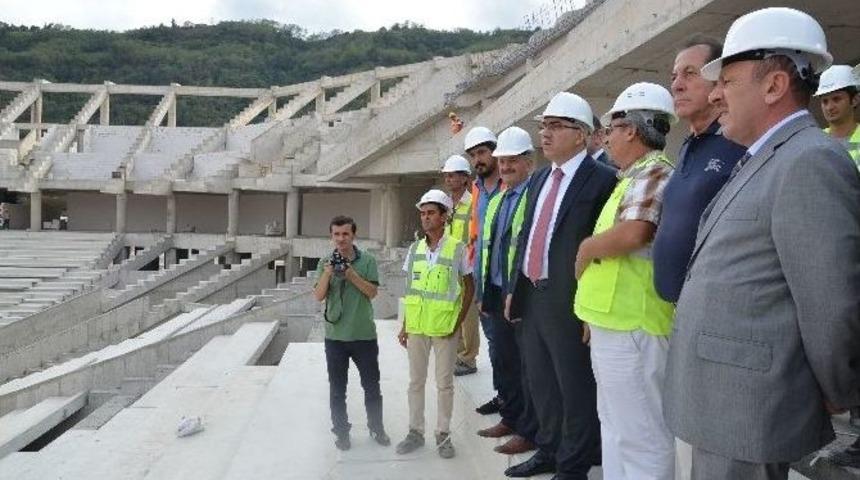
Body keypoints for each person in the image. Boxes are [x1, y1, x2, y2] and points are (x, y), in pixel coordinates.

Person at [663, 8, 860, 480]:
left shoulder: (810, 161)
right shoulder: (764, 157)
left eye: (726, 81)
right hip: (726, 399)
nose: (715, 94)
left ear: (772, 86)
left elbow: (831, 302)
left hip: (750, 406)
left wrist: (837, 389)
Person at [504, 92, 617, 480]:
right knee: (542, 382)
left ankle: (573, 466)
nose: (545, 134)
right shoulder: (539, 179)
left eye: (555, 126)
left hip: (572, 297)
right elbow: (528, 236)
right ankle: (549, 450)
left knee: (575, 386)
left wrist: (591, 309)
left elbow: (605, 247)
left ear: (582, 135)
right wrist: (513, 290)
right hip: (534, 293)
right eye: (543, 126)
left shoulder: (602, 180)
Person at [574, 82, 677, 480]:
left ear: (630, 129)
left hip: (634, 327)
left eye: (610, 130)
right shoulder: (630, 177)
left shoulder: (653, 172)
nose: (606, 139)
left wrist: (585, 248)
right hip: (615, 323)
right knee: (616, 431)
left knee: (642, 439)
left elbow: (634, 233)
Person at [652, 35, 746, 303]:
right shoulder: (686, 146)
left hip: (717, 306)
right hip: (678, 308)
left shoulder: (736, 142)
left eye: (689, 74)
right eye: (674, 77)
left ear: (719, 81)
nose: (677, 86)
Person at [395, 189, 475, 459]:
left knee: (444, 384)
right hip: (417, 327)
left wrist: (459, 322)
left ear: (443, 217)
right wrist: (405, 325)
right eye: (423, 213)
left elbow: (469, 286)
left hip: (444, 327)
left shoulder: (457, 248)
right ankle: (415, 432)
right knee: (415, 382)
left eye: (431, 213)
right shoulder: (415, 249)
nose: (425, 218)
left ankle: (443, 434)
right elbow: (411, 289)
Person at [476, 126, 537, 456]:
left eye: (513, 160)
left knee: (527, 366)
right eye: (502, 161)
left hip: (523, 296)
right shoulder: (497, 200)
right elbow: (489, 250)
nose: (506, 167)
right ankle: (511, 417)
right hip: (497, 293)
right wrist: (485, 293)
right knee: (503, 361)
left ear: (529, 161)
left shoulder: (535, 196)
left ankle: (530, 429)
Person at [313, 215, 389, 451]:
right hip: (335, 337)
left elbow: (372, 292)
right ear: (331, 236)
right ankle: (342, 433)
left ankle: (376, 428)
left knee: (372, 387)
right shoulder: (325, 261)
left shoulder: (367, 260)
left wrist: (350, 274)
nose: (341, 239)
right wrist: (328, 272)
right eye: (336, 234)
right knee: (337, 390)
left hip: (363, 335)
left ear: (353, 235)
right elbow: (319, 296)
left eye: (345, 234)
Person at [463, 126, 505, 414]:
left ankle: (518, 403)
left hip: (507, 279)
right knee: (494, 342)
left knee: (513, 345)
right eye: (473, 155)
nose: (478, 160)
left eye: (482, 153)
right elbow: (476, 231)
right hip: (483, 277)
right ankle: (503, 396)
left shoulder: (511, 183)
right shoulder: (477, 188)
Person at [440, 154, 481, 377]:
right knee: (452, 311)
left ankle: (469, 358)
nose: (449, 178)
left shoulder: (474, 202)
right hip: (449, 267)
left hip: (468, 267)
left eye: (454, 175)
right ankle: (456, 354)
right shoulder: (446, 205)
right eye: (447, 175)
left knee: (469, 315)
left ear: (465, 178)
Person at [815, 64, 860, 166]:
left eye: (836, 99)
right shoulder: (816, 140)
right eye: (825, 101)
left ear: (855, 100)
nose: (829, 107)